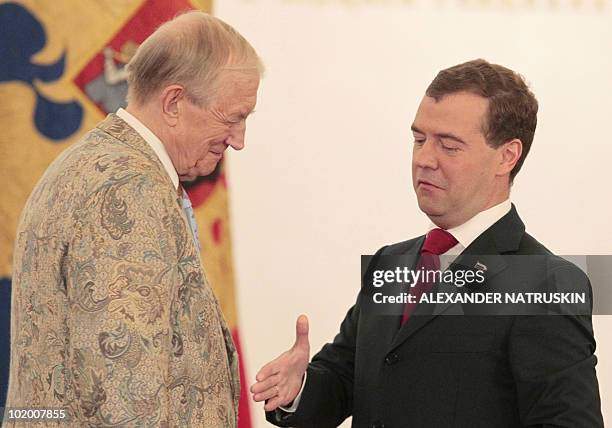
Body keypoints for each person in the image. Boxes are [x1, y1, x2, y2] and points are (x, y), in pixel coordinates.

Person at [253, 59, 603, 427]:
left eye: (449, 146)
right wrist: (299, 389)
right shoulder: (390, 262)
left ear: (507, 155)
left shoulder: (545, 282)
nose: (423, 160)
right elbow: (345, 381)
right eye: (419, 140)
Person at [4, 11, 262, 427]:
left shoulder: (92, 165)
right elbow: (127, 394)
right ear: (174, 102)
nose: (239, 139)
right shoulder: (127, 194)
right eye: (233, 117)